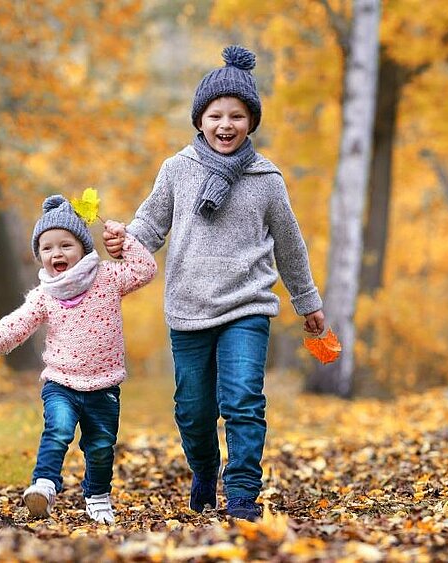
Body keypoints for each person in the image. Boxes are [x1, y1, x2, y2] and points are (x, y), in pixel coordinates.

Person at [103, 45, 325, 521]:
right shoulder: (177, 170)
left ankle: (243, 492)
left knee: (243, 398)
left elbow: (290, 246)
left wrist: (308, 303)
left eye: (237, 116)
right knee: (193, 409)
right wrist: (125, 239)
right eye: (216, 115)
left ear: (251, 122)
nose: (226, 125)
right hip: (188, 308)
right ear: (199, 120)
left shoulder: (267, 179)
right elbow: (149, 225)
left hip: (247, 306)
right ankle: (204, 470)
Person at [0, 194, 157, 524]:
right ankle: (44, 485)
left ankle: (98, 495)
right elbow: (19, 323)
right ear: (39, 256)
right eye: (47, 248)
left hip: (103, 386)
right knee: (57, 430)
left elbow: (145, 270)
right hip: (61, 382)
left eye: (65, 245)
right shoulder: (45, 294)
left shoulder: (108, 278)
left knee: (100, 447)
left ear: (83, 248)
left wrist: (125, 240)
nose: (57, 253)